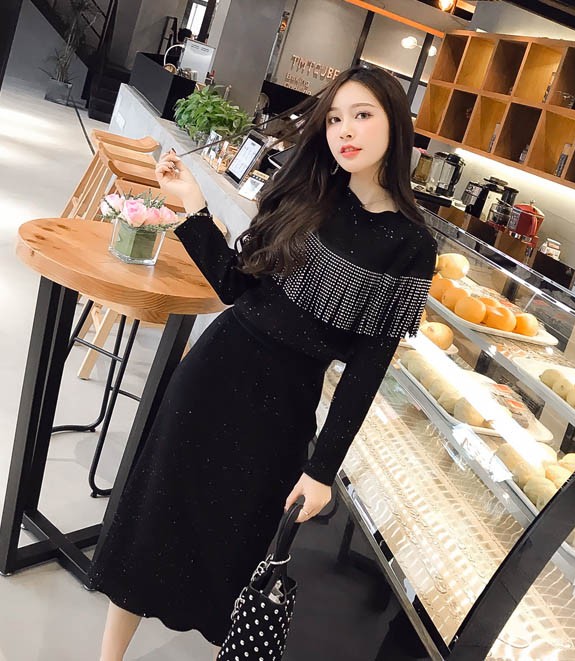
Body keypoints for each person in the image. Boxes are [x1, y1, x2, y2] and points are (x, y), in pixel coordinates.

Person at [90, 66, 437, 661]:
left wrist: (322, 470)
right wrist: (192, 205)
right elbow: (234, 286)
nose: (344, 130)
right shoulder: (306, 194)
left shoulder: (411, 244)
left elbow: (365, 372)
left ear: (396, 126)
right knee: (155, 516)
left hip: (284, 411)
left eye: (362, 115)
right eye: (335, 118)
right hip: (214, 375)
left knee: (240, 552)